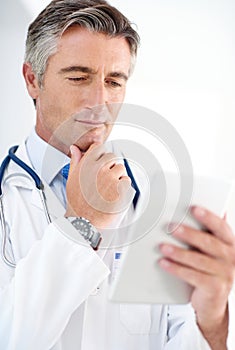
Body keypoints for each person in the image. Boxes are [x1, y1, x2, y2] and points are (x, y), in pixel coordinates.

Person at [0, 0, 235, 349]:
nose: (100, 100)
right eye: (79, 77)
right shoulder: (9, 200)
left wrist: (212, 318)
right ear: (33, 80)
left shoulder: (161, 204)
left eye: (114, 81)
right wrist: (81, 223)